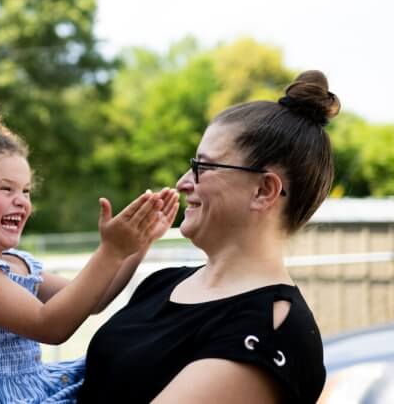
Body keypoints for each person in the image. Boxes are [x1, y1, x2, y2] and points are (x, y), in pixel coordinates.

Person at [78, 70, 340, 404]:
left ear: (263, 190)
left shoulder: (270, 330)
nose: (183, 182)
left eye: (203, 167)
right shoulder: (162, 284)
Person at [0, 102, 180, 403]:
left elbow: (94, 298)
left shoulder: (17, 263)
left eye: (26, 191)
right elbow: (50, 326)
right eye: (6, 189)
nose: (21, 201)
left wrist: (137, 244)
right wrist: (110, 251)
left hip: (32, 389)